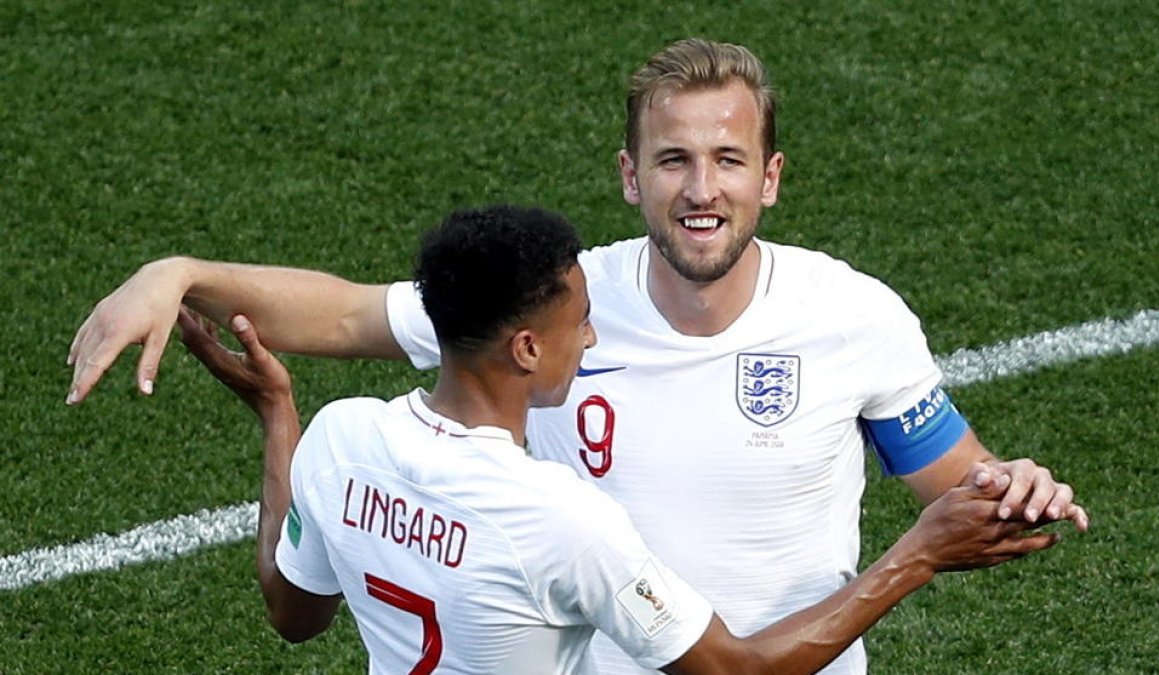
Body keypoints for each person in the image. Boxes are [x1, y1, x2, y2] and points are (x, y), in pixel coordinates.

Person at [69, 40, 1087, 674]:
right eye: (673, 160)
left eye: (729, 160)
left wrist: (1020, 494)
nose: (702, 189)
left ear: (769, 178)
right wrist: (182, 271)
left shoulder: (853, 317)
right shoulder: (551, 298)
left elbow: (963, 489)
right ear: (629, 176)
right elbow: (342, 318)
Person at [177, 204, 1064, 674]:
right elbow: (739, 672)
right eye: (582, 322)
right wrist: (915, 555)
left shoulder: (338, 439)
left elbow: (293, 617)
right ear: (527, 347)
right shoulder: (563, 518)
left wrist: (278, 419)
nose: (593, 338)